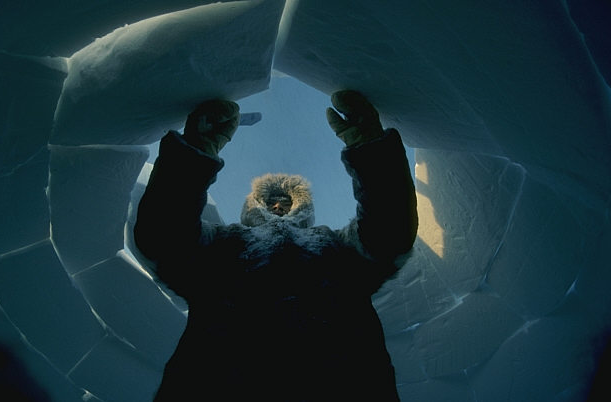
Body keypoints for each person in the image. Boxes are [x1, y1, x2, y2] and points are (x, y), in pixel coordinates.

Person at [134, 90, 418, 401]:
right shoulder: (223, 242)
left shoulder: (335, 243)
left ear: (302, 205)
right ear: (254, 205)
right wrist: (195, 153)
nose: (279, 205)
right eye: (270, 201)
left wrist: (371, 152)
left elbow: (388, 237)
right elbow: (164, 239)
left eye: (285, 200)